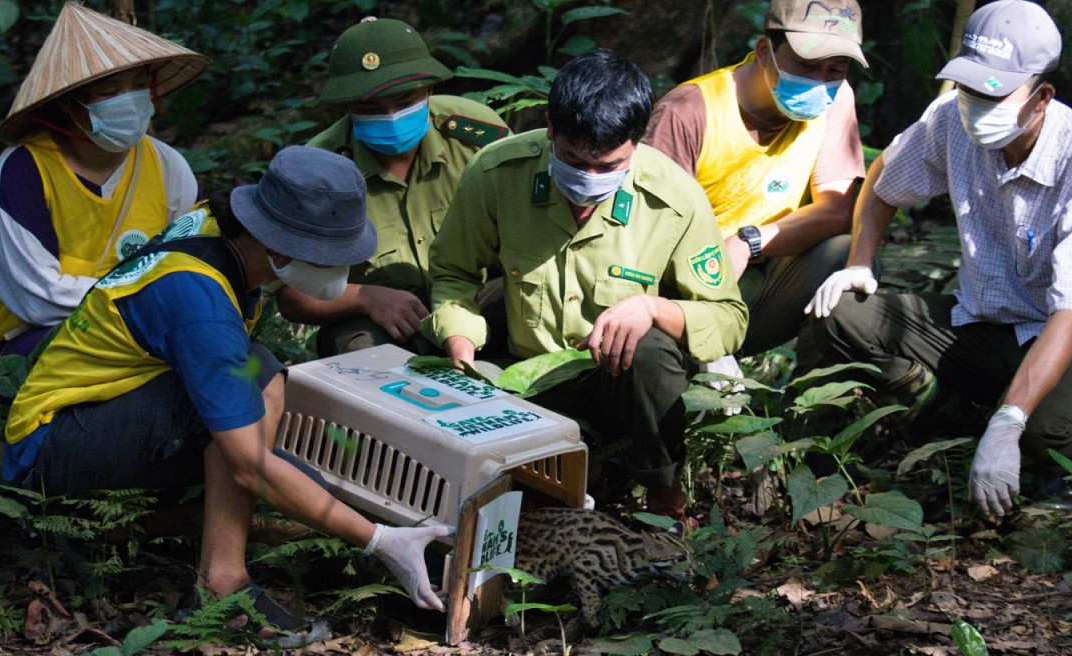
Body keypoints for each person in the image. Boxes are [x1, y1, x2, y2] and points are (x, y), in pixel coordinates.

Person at [3, 146, 451, 647]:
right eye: (327, 257)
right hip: (50, 446)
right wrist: (380, 540)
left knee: (259, 374)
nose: (339, 269)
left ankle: (220, 567)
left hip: (102, 408)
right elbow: (248, 466)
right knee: (243, 434)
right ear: (278, 247)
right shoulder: (201, 305)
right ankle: (224, 585)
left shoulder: (222, 231)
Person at [803, 0, 1072, 515]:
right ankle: (955, 419)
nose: (975, 104)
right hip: (985, 322)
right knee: (840, 316)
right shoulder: (953, 118)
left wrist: (1010, 420)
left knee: (1040, 429)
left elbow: (1071, 315)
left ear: (1041, 97)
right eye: (969, 88)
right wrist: (859, 262)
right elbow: (884, 178)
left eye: (994, 94)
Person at [421, 50, 748, 521]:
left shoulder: (674, 198)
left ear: (636, 143)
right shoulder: (496, 174)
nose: (588, 179)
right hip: (523, 379)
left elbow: (729, 318)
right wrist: (461, 347)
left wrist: (653, 309)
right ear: (549, 128)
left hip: (616, 384)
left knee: (653, 348)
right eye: (573, 160)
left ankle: (663, 499)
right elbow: (454, 272)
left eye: (609, 165)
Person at [0, 2, 207, 364]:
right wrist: (157, 298)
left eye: (138, 85)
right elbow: (42, 301)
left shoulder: (166, 164)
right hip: (16, 350)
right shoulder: (23, 173)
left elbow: (201, 253)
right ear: (68, 102)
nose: (128, 99)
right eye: (109, 91)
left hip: (138, 328)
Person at [645, 0, 867, 357]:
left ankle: (815, 376)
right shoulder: (688, 111)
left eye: (835, 69)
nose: (819, 82)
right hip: (681, 291)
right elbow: (648, 236)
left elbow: (836, 210)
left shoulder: (835, 101)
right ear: (765, 52)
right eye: (806, 66)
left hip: (759, 277)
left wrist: (748, 241)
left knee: (846, 256)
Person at [276, 17, 509, 357]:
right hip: (383, 325)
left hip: (475, 301)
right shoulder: (319, 171)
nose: (390, 117)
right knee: (360, 350)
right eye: (371, 109)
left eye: (404, 102)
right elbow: (291, 295)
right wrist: (363, 297)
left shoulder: (475, 137)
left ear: (428, 90)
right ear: (347, 106)